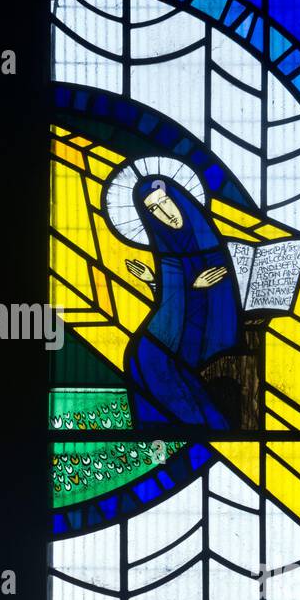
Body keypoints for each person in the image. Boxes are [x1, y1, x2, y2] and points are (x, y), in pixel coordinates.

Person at [123, 179, 239, 429]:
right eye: (154, 210)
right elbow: (171, 303)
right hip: (174, 329)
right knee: (139, 356)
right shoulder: (167, 246)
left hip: (203, 331)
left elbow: (223, 297)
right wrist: (154, 282)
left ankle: (202, 427)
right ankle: (166, 431)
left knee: (152, 359)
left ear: (179, 201)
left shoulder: (210, 242)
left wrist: (195, 289)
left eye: (165, 202)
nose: (165, 213)